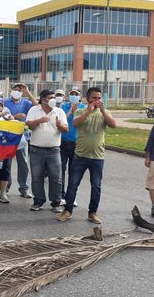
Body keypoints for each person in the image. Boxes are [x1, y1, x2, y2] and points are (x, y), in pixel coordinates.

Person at [58, 87, 117, 223]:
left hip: (97, 157)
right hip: (80, 155)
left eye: (99, 98)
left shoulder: (105, 112)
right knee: (73, 184)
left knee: (96, 186)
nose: (97, 100)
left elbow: (113, 125)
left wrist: (102, 111)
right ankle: (67, 210)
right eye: (94, 98)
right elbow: (75, 123)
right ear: (88, 99)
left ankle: (93, 213)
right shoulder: (80, 111)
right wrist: (87, 112)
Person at [26, 90, 68, 212]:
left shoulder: (59, 111)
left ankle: (56, 202)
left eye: (54, 97)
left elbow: (65, 129)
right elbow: (28, 126)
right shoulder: (34, 110)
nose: (54, 99)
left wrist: (59, 125)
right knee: (37, 176)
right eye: (51, 97)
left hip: (54, 150)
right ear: (43, 99)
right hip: (36, 149)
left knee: (56, 177)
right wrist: (39, 121)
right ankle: (38, 201)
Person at [3, 83, 37, 198]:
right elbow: (1, 115)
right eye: (15, 89)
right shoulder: (5, 102)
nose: (17, 91)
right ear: (11, 90)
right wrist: (15, 116)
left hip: (22, 137)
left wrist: (27, 92)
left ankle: (24, 188)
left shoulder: (25, 102)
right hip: (8, 137)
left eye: (19, 90)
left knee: (23, 163)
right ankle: (5, 188)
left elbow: (37, 106)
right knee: (7, 164)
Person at [59, 87, 86, 205]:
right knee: (61, 170)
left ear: (80, 96)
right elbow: (61, 119)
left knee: (73, 171)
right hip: (63, 142)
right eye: (72, 94)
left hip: (76, 143)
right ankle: (61, 195)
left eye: (76, 94)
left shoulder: (84, 108)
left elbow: (84, 123)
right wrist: (70, 110)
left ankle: (71, 196)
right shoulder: (63, 106)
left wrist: (76, 112)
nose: (74, 96)